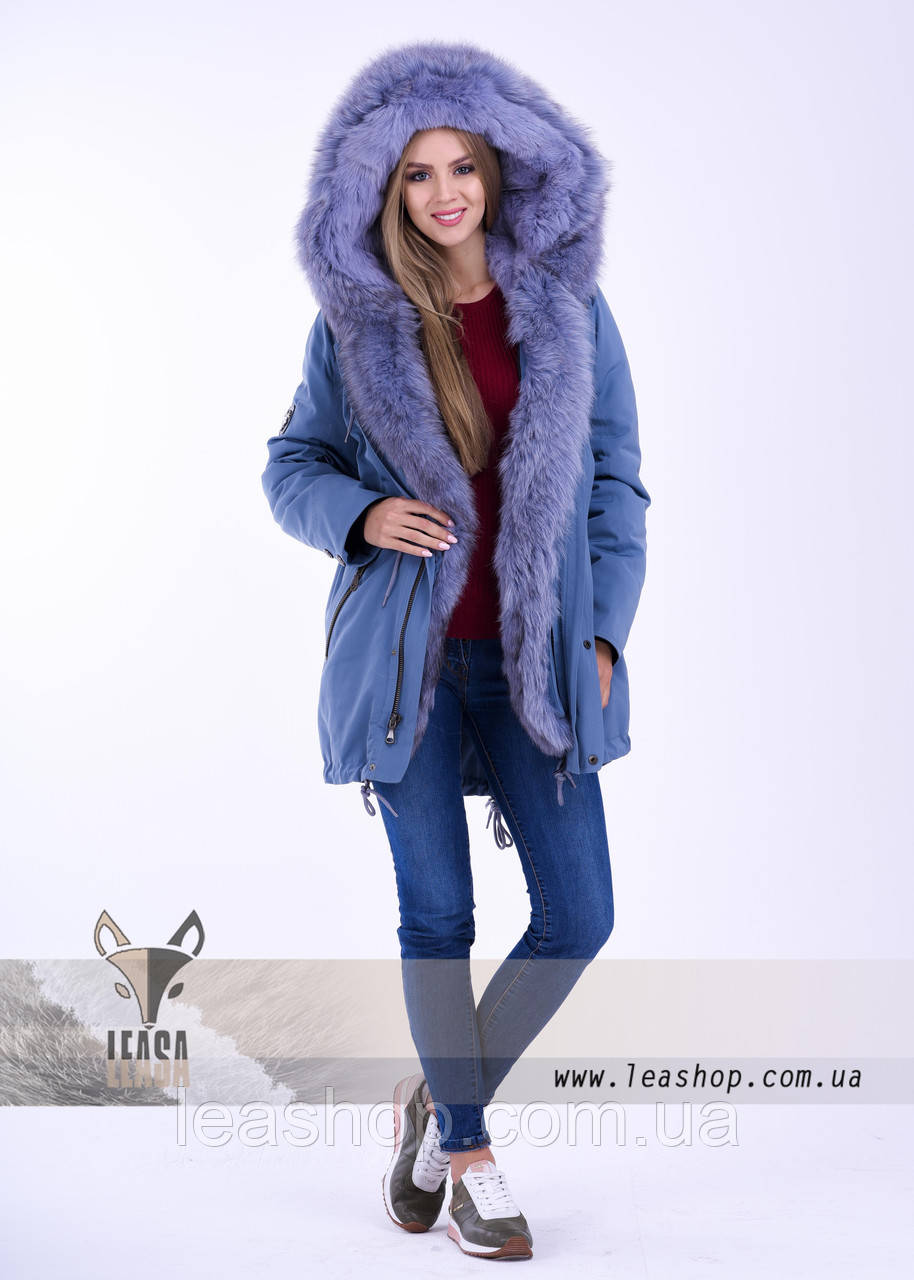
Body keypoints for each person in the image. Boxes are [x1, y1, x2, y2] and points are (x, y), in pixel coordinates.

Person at [261, 41, 650, 1261]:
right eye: (417, 172)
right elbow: (289, 465)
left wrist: (601, 630)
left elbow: (616, 484)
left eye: (462, 167)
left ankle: (438, 1102)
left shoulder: (568, 311)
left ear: (497, 172)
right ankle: (470, 1156)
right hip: (407, 672)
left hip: (536, 666)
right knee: (436, 915)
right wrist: (362, 512)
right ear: (387, 188)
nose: (443, 192)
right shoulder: (357, 324)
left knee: (577, 914)